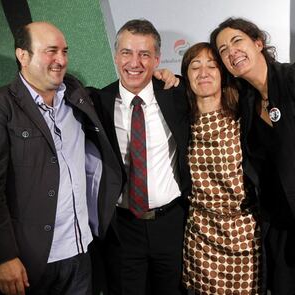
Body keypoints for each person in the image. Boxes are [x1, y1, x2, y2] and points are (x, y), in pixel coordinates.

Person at [0, 21, 123, 295]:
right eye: (51, 51)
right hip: (31, 262)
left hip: (81, 249)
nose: (61, 60)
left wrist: (160, 77)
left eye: (64, 51)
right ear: (22, 55)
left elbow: (113, 93)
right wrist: (3, 256)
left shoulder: (76, 94)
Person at [209, 17, 295, 294]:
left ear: (258, 42)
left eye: (237, 41)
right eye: (223, 50)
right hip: (285, 231)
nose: (231, 52)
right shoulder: (247, 102)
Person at [88, 19, 191, 295]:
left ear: (157, 59)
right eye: (127, 53)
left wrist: (174, 78)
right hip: (123, 228)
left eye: (144, 54)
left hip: (171, 223)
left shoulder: (177, 94)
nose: (135, 62)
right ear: (115, 56)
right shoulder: (97, 102)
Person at [180, 42, 262, 295]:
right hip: (202, 240)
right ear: (186, 76)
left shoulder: (246, 119)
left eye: (211, 66)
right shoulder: (178, 123)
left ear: (223, 73)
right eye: (195, 67)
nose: (203, 73)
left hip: (245, 237)